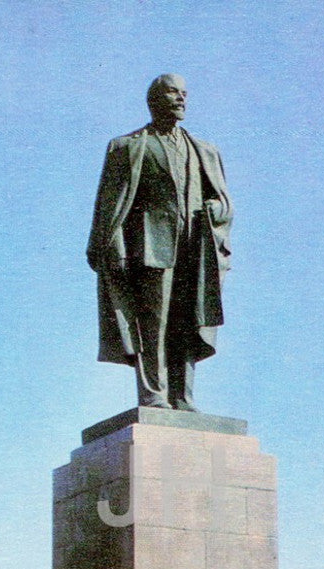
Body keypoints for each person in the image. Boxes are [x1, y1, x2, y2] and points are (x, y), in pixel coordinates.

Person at [87, 73, 233, 411]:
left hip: (194, 248)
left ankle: (183, 396)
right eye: (173, 92)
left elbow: (226, 203)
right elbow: (111, 206)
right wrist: (116, 248)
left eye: (184, 93)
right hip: (150, 249)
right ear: (154, 99)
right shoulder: (128, 146)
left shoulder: (205, 151)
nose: (181, 98)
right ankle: (154, 394)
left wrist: (217, 208)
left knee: (188, 319)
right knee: (154, 323)